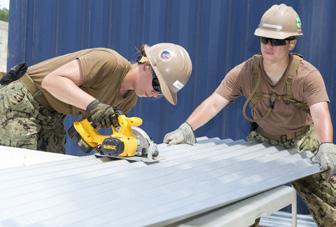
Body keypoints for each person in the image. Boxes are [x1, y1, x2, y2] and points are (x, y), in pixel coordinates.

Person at [164, 4, 335, 227]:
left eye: (276, 41)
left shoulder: (307, 76)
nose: (268, 46)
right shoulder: (246, 71)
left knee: (331, 204)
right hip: (263, 143)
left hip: (303, 142)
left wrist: (326, 146)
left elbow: (320, 113)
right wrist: (186, 128)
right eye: (264, 39)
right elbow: (216, 101)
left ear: (291, 42)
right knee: (244, 203)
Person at [0, 43, 192, 154]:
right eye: (157, 85)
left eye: (161, 93)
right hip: (22, 100)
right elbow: (52, 81)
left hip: (53, 115)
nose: (155, 94)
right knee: (22, 170)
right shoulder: (109, 62)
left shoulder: (128, 101)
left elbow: (85, 130)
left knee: (52, 172)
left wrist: (99, 141)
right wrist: (94, 106)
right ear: (146, 65)